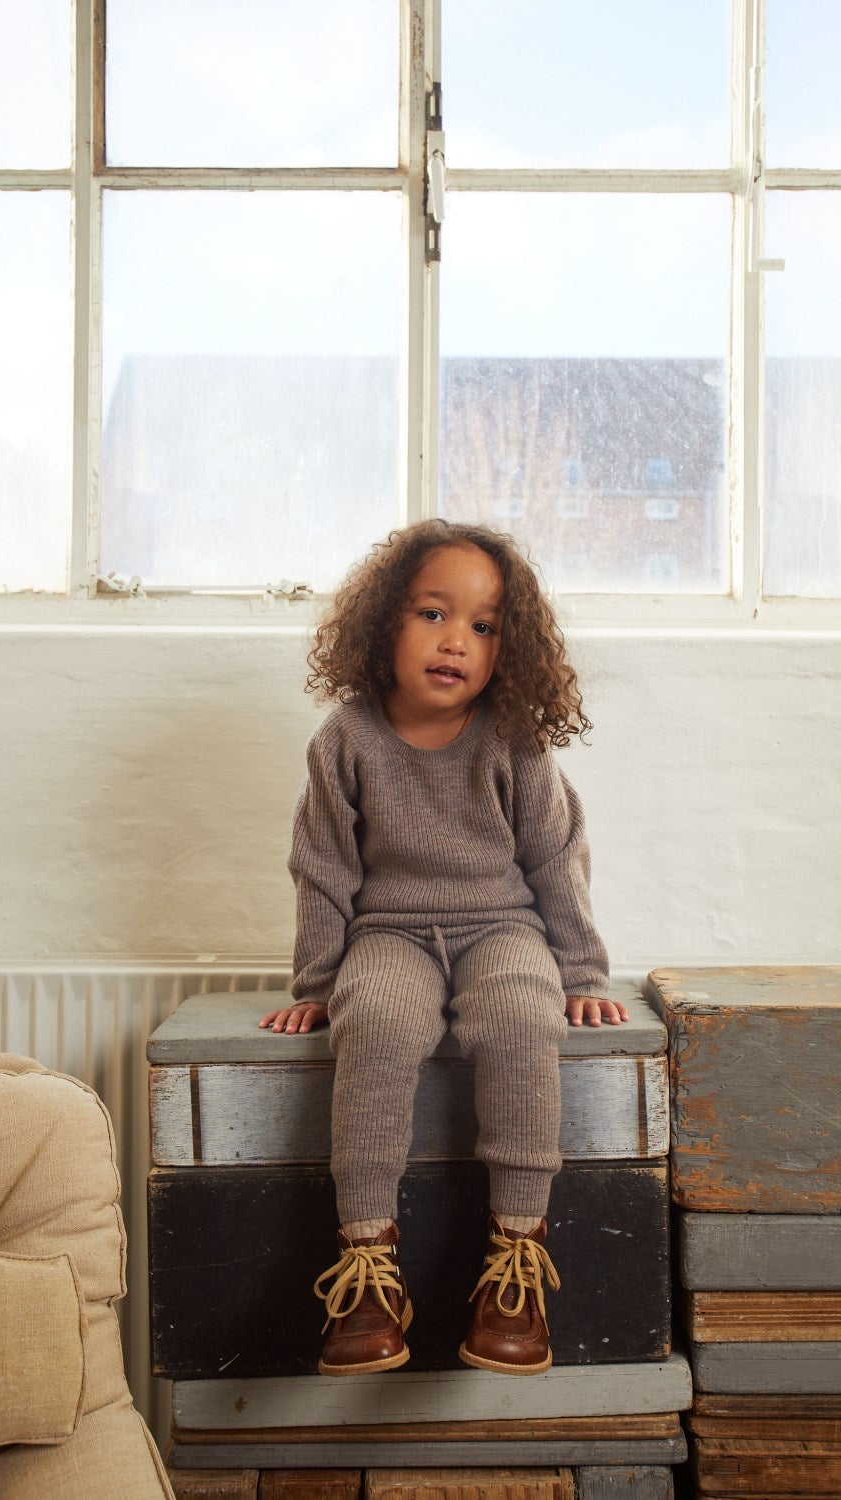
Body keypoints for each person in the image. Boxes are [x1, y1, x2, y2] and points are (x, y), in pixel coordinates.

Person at [259, 518, 628, 1378]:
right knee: (379, 1023)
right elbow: (323, 867)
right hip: (389, 934)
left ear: (509, 649)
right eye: (432, 613)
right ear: (383, 622)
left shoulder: (513, 740)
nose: (455, 639)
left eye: (483, 625)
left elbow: (556, 856)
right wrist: (318, 984)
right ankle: (368, 1267)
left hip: (504, 929)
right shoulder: (345, 740)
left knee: (521, 1020)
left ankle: (517, 1260)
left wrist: (581, 972)